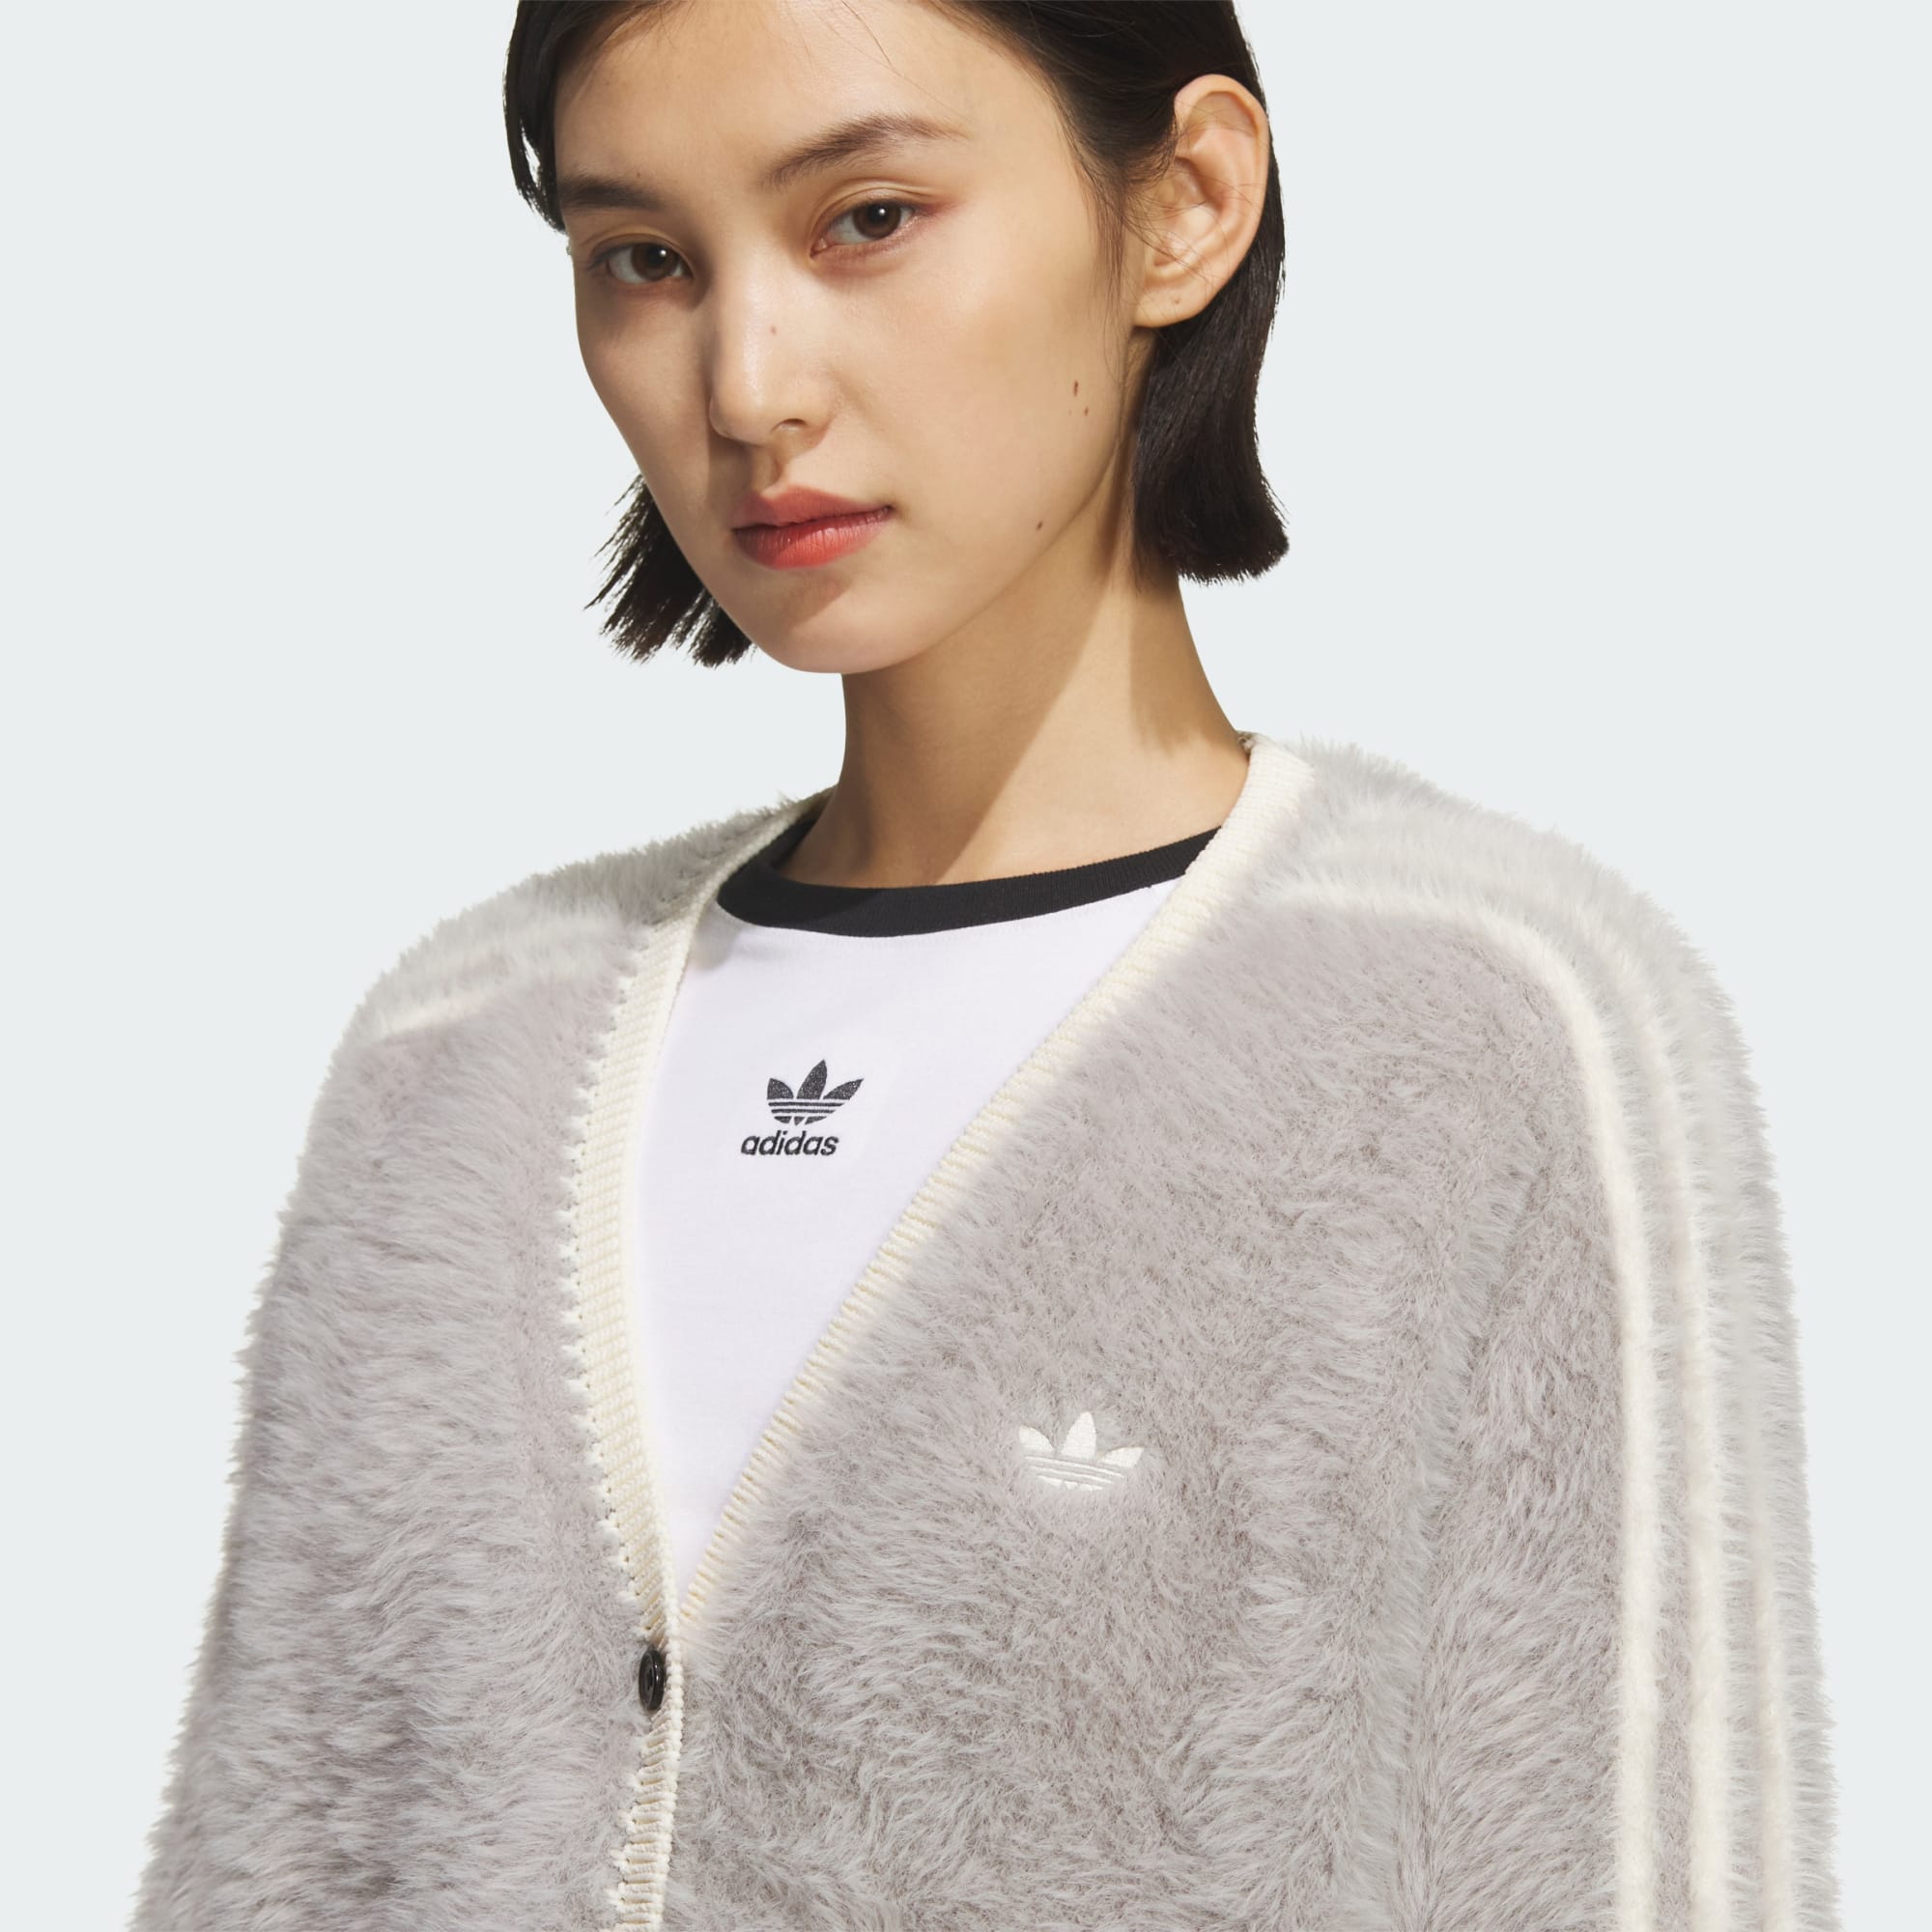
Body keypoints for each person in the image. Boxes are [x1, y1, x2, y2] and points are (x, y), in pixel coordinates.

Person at [131, 5, 1843, 1928]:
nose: (747, 384)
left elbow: (1641, 1875)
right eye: (645, 259)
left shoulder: (1483, 1030)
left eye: (867, 218)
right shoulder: (459, 1054)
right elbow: (260, 1859)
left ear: (1185, 204)